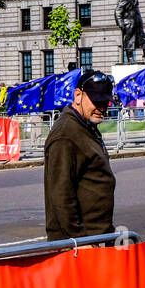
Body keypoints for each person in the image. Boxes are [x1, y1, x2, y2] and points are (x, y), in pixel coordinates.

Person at [43, 70, 116, 240]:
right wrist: (78, 239)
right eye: (97, 101)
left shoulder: (85, 125)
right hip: (79, 241)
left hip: (96, 235)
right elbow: (61, 193)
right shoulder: (66, 134)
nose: (102, 108)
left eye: (105, 102)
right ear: (78, 96)